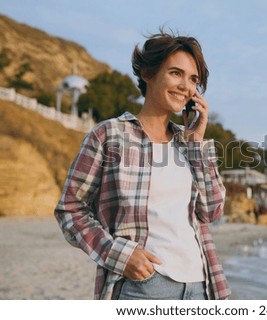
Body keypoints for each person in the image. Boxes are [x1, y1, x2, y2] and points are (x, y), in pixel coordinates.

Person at [54, 29, 231, 300]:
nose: (186, 86)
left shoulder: (190, 145)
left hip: (201, 286)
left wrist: (197, 143)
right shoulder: (108, 135)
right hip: (144, 287)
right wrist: (120, 256)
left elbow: (213, 212)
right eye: (175, 73)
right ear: (148, 74)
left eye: (193, 79)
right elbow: (70, 210)